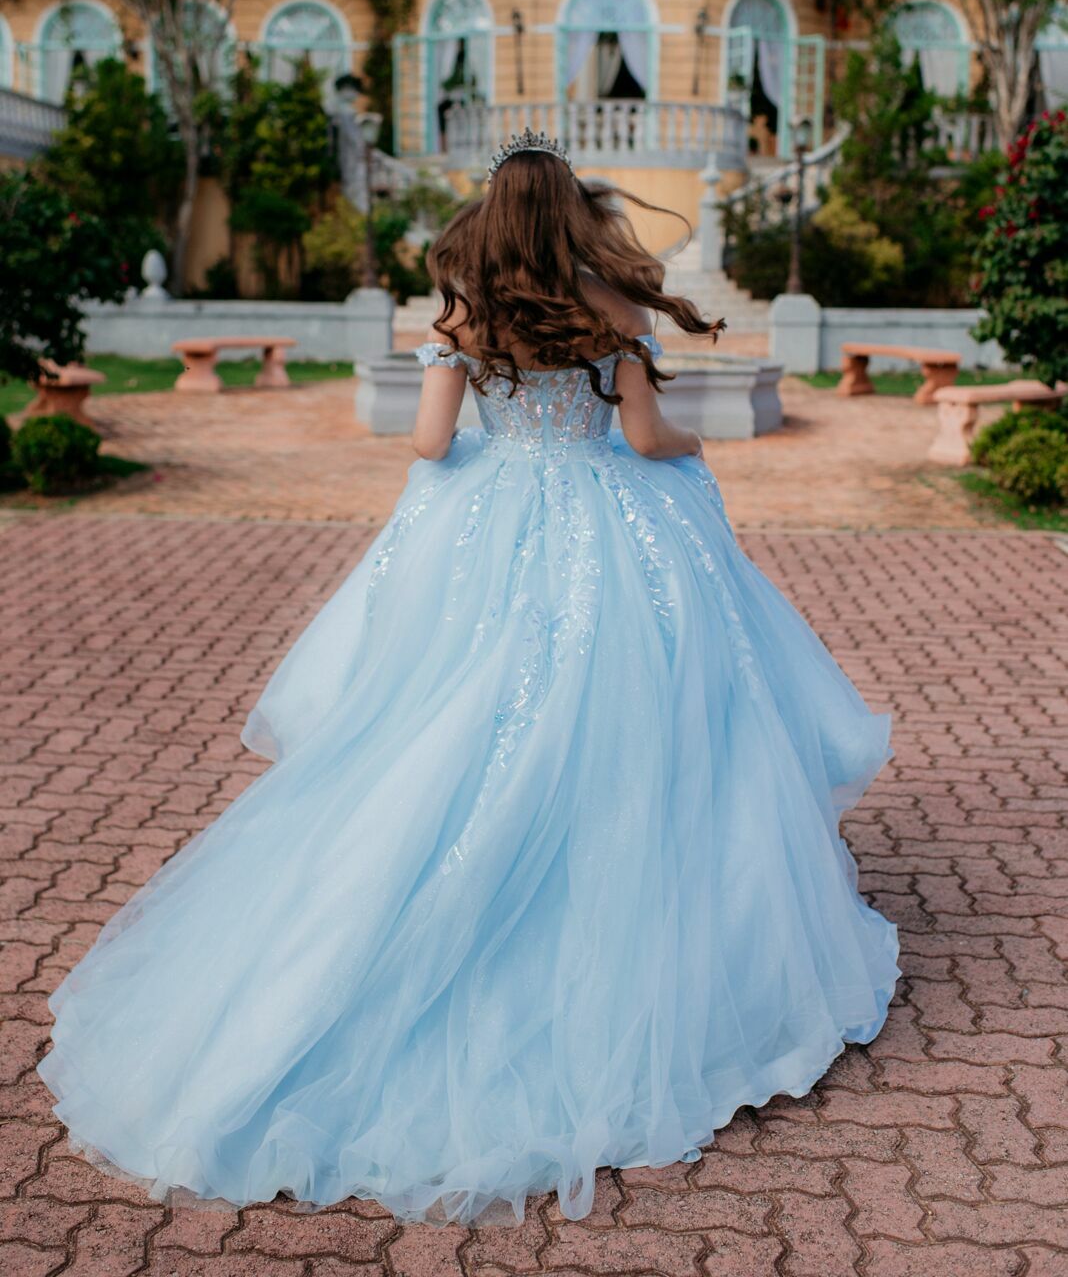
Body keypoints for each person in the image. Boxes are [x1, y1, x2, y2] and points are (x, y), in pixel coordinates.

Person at [38, 130, 900, 1228]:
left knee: (453, 721)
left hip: (498, 529)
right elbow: (642, 437)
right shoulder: (615, 313)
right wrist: (691, 452)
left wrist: (503, 439)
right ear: (573, 217)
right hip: (609, 525)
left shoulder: (463, 313)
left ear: (494, 216)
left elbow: (432, 448)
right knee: (640, 715)